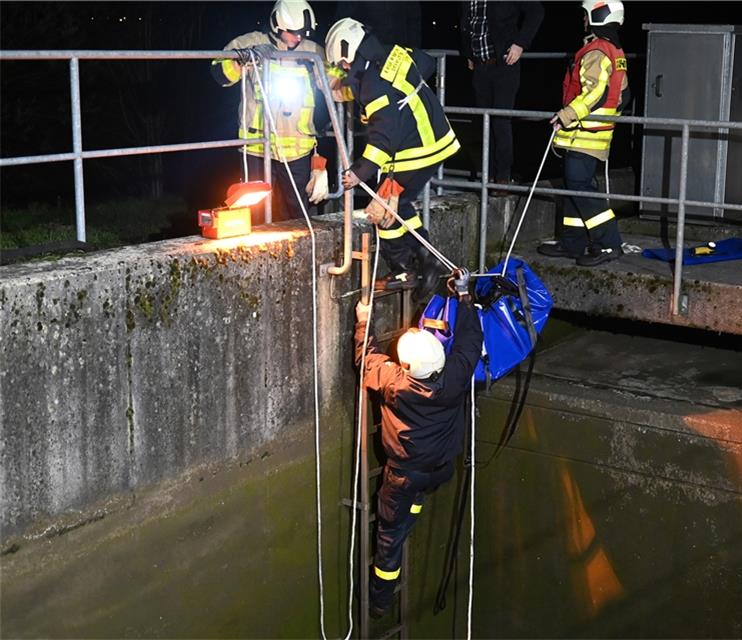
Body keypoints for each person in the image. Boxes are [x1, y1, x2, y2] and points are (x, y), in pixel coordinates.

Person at [354, 269, 483, 618]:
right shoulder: (455, 377)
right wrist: (464, 295)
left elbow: (365, 358)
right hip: (440, 470)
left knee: (388, 538)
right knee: (413, 504)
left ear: (407, 364)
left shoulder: (395, 382)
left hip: (404, 476)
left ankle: (381, 598)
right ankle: (410, 517)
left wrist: (364, 320)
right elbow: (471, 340)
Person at [325, 18, 459, 298]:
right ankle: (427, 260)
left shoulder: (373, 84)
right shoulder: (395, 53)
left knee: (382, 209)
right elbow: (427, 64)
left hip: (415, 151)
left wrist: (359, 172)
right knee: (402, 204)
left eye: (342, 64)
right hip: (435, 139)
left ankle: (404, 268)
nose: (344, 69)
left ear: (349, 53)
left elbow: (382, 138)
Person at [211, 0, 330, 223]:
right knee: (254, 211)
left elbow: (337, 86)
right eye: (293, 32)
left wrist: (363, 85)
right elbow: (220, 73)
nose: (299, 38)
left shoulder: (313, 52)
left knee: (296, 212)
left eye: (303, 32)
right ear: (277, 26)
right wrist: (245, 58)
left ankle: (300, 254)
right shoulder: (249, 42)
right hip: (256, 147)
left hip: (297, 148)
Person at [537, 0, 629, 267]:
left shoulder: (597, 51)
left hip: (584, 133)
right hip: (593, 132)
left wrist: (566, 115)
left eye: (586, 15)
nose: (583, 20)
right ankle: (573, 243)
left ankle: (610, 244)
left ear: (597, 16)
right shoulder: (615, 50)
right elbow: (623, 94)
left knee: (581, 189)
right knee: (577, 187)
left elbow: (594, 94)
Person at [459, 1, 544, 186]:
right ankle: (487, 175)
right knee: (483, 123)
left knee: (501, 121)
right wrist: (468, 53)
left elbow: (536, 11)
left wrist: (520, 43)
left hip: (505, 65)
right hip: (480, 67)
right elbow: (470, 23)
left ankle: (503, 177)